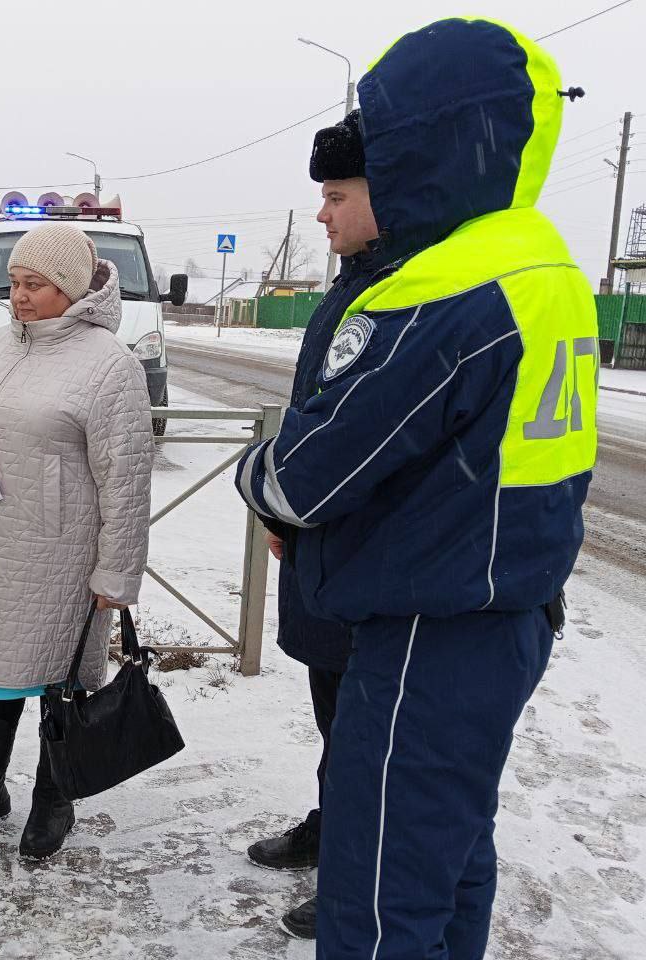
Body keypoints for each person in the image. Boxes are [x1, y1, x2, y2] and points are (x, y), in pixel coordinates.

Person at [234, 18, 597, 960]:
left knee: (381, 893)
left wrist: (257, 474)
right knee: (452, 862)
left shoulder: (447, 290)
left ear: (428, 144)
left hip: (431, 635)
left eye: (381, 143)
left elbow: (304, 480)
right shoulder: (543, 261)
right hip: (506, 610)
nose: (333, 200)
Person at [0, 222, 153, 860]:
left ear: (72, 290)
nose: (19, 297)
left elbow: (127, 479)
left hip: (60, 552)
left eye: (36, 285)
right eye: (16, 283)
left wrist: (117, 575)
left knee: (58, 675)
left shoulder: (111, 365)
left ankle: (56, 798)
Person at [244, 109, 381, 943]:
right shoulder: (357, 281)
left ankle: (358, 868)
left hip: (368, 555)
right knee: (337, 710)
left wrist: (273, 491)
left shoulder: (403, 293)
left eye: (336, 195)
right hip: (327, 544)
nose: (322, 213)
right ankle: (338, 827)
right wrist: (289, 519)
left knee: (367, 727)